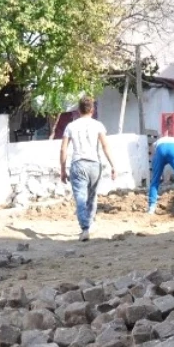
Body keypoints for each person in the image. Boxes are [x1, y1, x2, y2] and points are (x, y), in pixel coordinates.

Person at [59, 95, 117, 242]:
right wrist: (113, 165)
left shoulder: (71, 126)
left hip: (78, 164)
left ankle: (85, 228)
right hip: (94, 165)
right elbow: (105, 146)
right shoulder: (98, 125)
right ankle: (90, 224)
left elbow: (63, 149)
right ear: (92, 109)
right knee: (92, 198)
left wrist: (62, 169)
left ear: (78, 110)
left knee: (80, 197)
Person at [149, 130, 174, 217]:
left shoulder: (158, 141)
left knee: (155, 179)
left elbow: (153, 154)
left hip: (160, 150)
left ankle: (151, 207)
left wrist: (158, 172)